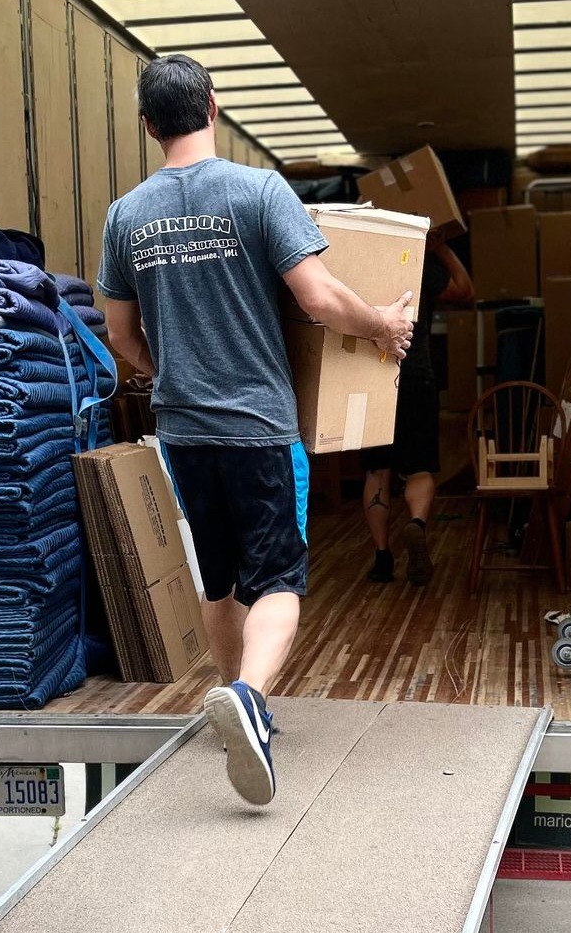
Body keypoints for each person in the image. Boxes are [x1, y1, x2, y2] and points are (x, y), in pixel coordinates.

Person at [97, 55, 415, 807]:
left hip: (182, 429)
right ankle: (249, 697)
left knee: (220, 578)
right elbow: (319, 298)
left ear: (148, 125)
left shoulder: (125, 215)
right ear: (212, 107)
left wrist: (169, 368)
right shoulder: (257, 190)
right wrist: (384, 327)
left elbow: (119, 333)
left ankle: (233, 704)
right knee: (278, 580)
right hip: (258, 427)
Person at [361, 232, 474, 585]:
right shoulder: (418, 265)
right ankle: (416, 524)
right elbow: (464, 289)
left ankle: (382, 557)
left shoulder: (360, 264)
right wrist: (438, 245)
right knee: (421, 467)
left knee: (377, 471)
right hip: (416, 376)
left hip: (370, 377)